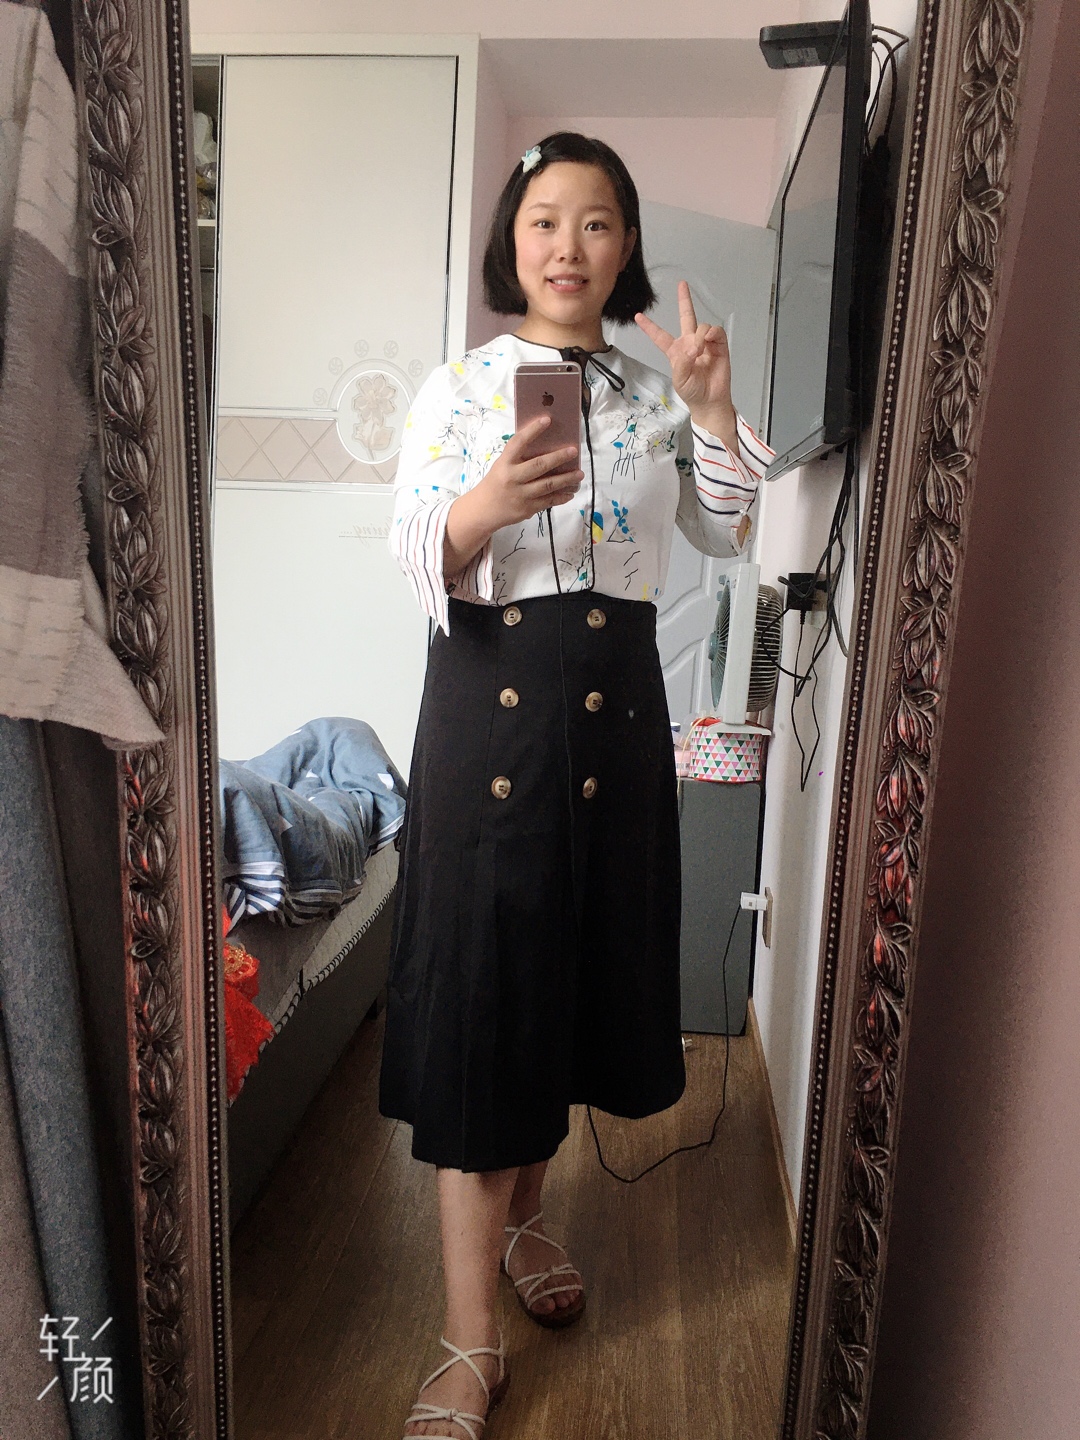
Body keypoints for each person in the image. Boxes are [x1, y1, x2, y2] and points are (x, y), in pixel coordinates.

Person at [380, 131, 772, 1439]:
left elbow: (728, 528)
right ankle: (465, 1337)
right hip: (485, 709)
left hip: (616, 722)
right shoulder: (459, 388)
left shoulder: (651, 397)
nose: (568, 245)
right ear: (514, 241)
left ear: (625, 246)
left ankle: (527, 1223)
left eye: (596, 222)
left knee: (566, 982)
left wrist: (710, 411)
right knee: (485, 1003)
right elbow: (411, 546)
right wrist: (484, 506)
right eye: (545, 220)